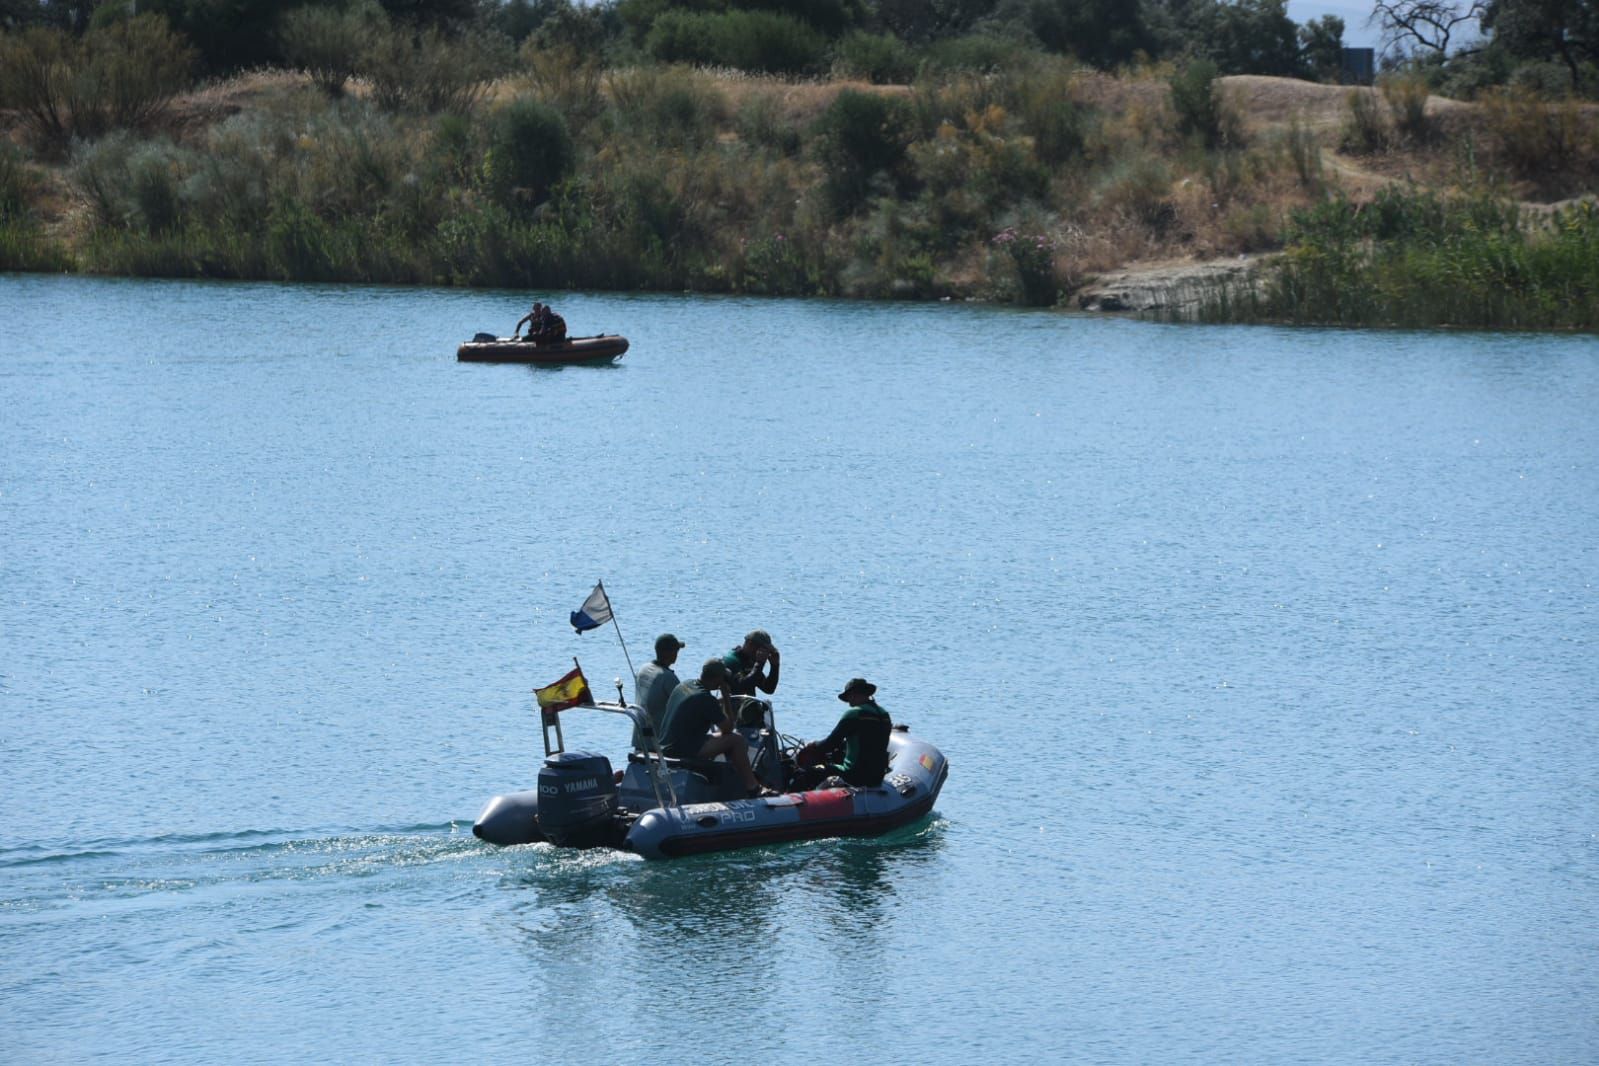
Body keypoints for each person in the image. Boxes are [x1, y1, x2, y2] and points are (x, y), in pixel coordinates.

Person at [657, 659, 774, 797]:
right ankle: (752, 787)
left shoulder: (684, 685)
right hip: (683, 749)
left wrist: (717, 704)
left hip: (665, 745)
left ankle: (728, 783)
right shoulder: (706, 698)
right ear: (718, 679)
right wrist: (726, 697)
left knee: (722, 738)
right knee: (736, 740)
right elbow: (728, 728)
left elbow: (696, 708)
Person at [792, 678, 893, 790]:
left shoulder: (854, 713)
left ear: (853, 694)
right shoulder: (884, 714)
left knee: (806, 774)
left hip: (854, 775)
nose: (849, 703)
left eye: (848, 698)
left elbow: (830, 744)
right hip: (877, 777)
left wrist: (813, 745)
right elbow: (868, 740)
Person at [631, 633, 685, 750]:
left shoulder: (643, 669)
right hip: (658, 743)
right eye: (676, 650)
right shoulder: (667, 677)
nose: (677, 654)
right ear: (668, 653)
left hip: (639, 739)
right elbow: (686, 706)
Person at [722, 629, 779, 698]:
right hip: (731, 705)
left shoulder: (750, 661)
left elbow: (768, 688)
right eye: (762, 649)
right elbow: (742, 687)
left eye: (767, 651)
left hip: (747, 705)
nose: (765, 654)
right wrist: (759, 663)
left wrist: (775, 665)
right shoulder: (731, 660)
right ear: (750, 644)